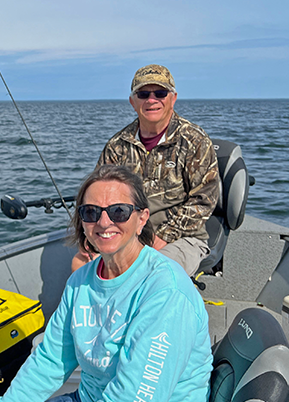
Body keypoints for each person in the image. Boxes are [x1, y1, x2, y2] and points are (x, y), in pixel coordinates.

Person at [0, 164, 213, 402]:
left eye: (119, 211)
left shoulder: (166, 292)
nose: (104, 222)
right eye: (91, 212)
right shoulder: (81, 281)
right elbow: (50, 361)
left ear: (141, 218)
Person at [72, 64, 220, 277]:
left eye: (160, 93)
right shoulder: (117, 145)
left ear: (173, 98)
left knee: (155, 272)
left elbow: (203, 201)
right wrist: (89, 239)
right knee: (82, 264)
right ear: (133, 102)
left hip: (181, 237)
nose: (152, 100)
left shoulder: (195, 141)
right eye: (143, 94)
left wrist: (162, 239)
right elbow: (98, 197)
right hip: (127, 230)